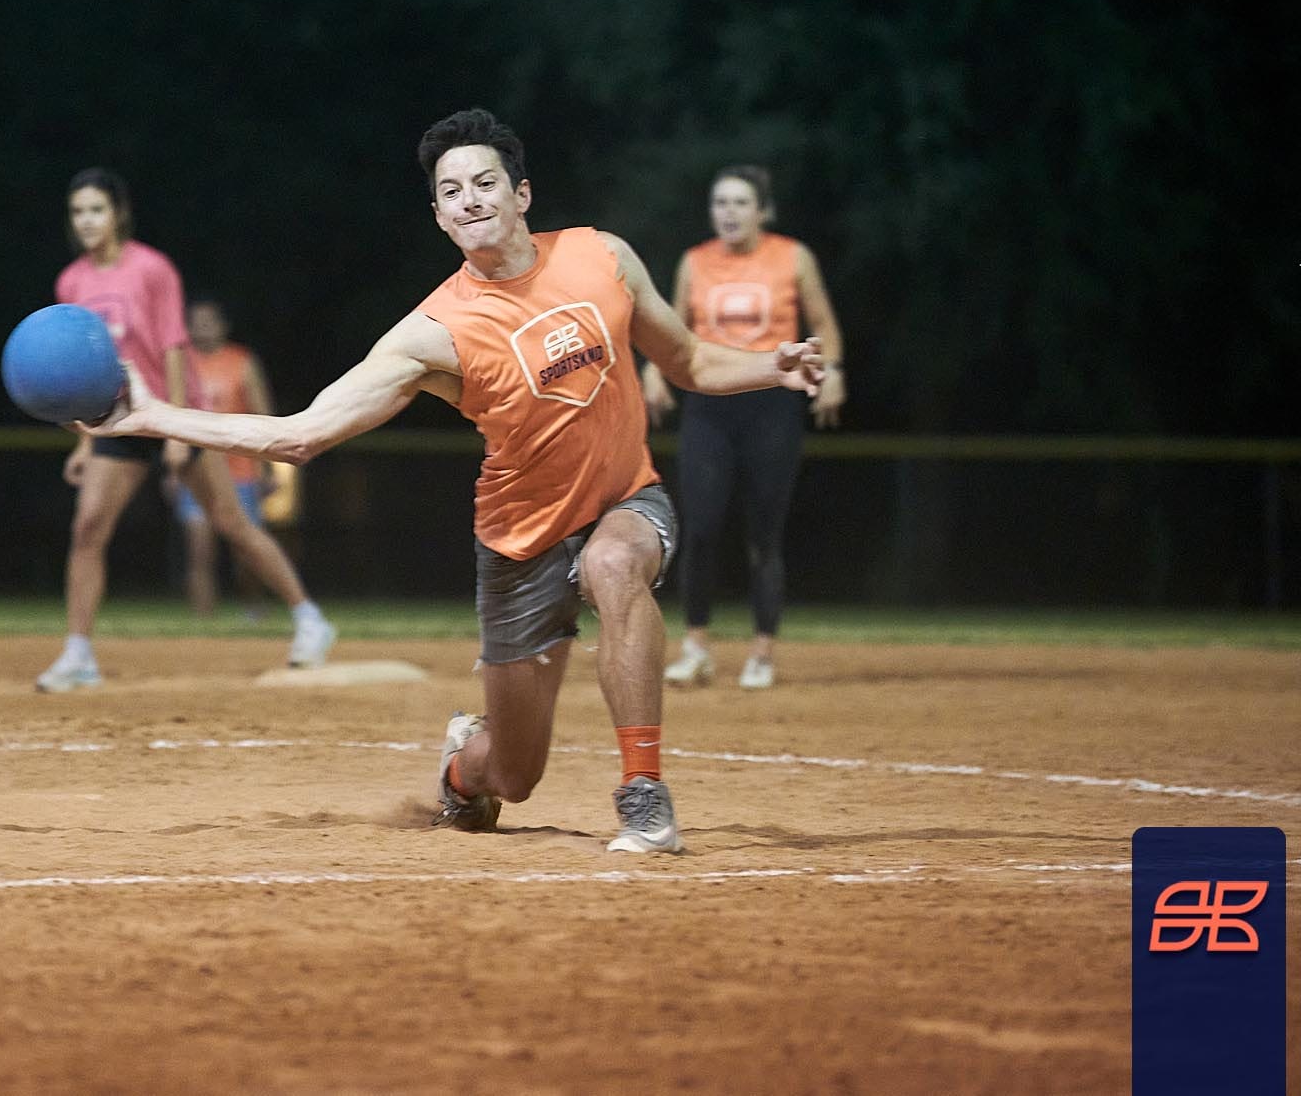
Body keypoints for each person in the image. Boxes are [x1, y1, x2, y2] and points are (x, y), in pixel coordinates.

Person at [77, 110, 825, 853]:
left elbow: (688, 359)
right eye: (451, 191)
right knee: (514, 772)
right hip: (519, 544)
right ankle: (463, 769)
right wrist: (152, 415)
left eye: (485, 182)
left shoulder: (603, 257)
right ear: (438, 216)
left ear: (522, 193)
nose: (470, 198)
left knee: (615, 561)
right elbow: (296, 434)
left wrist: (772, 366)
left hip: (625, 499)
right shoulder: (432, 332)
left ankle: (644, 797)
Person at [33, 167, 336, 693]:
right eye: (78, 211)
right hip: (117, 419)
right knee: (87, 529)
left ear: (118, 214)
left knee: (233, 525)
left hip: (173, 409)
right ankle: (78, 652)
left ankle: (310, 619)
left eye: (97, 209)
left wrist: (174, 428)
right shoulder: (72, 281)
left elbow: (174, 346)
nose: (87, 220)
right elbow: (83, 365)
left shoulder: (152, 269)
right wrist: (85, 441)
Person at [642, 166, 846, 692]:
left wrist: (834, 374)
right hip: (710, 406)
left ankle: (761, 652)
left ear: (763, 211)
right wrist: (655, 372)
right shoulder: (696, 261)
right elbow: (671, 328)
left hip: (773, 406)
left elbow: (823, 325)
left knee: (764, 536)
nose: (728, 212)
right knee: (701, 528)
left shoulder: (792, 257)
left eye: (739, 202)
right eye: (719, 203)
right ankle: (696, 649)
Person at [174, 296, 278, 616]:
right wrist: (172, 471)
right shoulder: (180, 362)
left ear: (223, 326)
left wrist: (269, 469)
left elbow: (263, 414)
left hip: (241, 472)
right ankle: (203, 624)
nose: (202, 328)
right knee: (199, 550)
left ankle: (252, 609)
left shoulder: (241, 361)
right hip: (196, 472)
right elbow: (171, 417)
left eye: (209, 321)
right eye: (196, 322)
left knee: (246, 552)